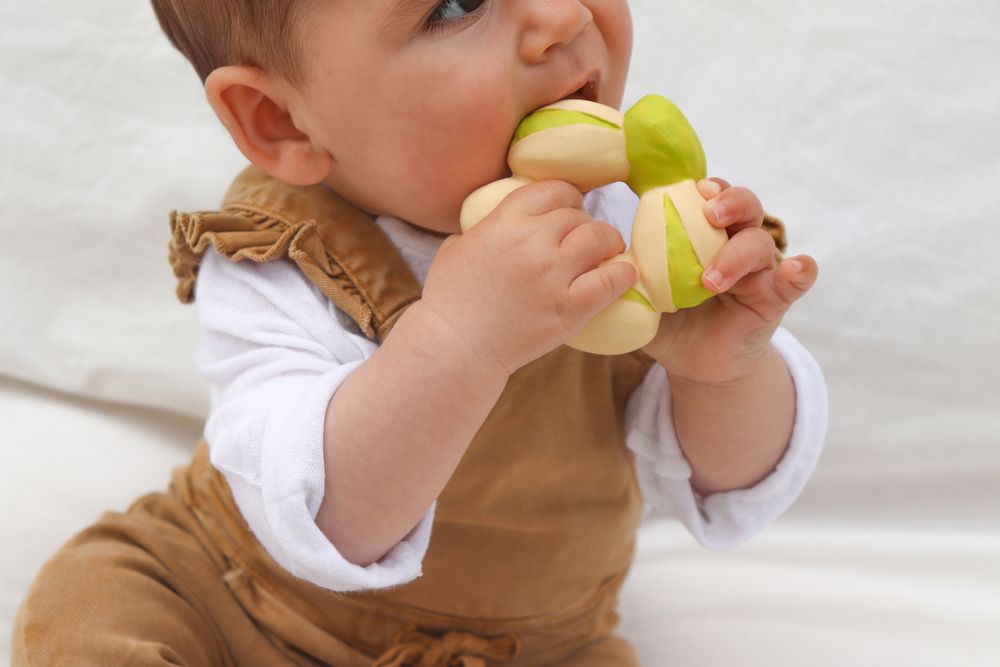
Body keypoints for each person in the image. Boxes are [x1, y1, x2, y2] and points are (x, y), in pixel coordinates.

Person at [12, 1, 828, 664]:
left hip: (538, 643)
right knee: (92, 610)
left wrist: (723, 372)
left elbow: (729, 492)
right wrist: (467, 338)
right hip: (252, 597)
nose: (558, 16)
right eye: (456, 5)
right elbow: (330, 521)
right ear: (282, 122)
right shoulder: (281, 254)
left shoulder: (638, 228)